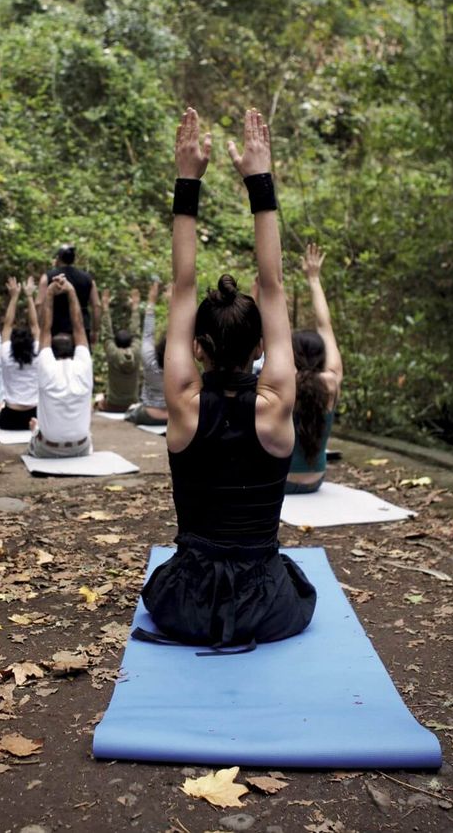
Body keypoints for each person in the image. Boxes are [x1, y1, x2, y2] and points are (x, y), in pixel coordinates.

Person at [137, 107, 316, 651]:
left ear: (196, 349)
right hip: (266, 605)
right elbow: (274, 284)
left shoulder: (184, 403)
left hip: (186, 604)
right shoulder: (277, 403)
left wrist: (187, 179)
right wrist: (258, 180)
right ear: (261, 347)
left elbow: (182, 286)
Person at [286, 243, 344, 493]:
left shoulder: (285, 382)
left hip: (282, 483)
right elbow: (325, 326)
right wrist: (313, 279)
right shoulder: (331, 383)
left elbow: (272, 331)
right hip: (316, 481)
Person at [28, 274, 94, 458]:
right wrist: (71, 291)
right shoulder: (83, 366)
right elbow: (79, 328)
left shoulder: (46, 366)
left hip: (47, 449)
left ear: (51, 352)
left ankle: (37, 430)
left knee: (35, 427)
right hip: (80, 448)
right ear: (74, 349)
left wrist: (49, 294)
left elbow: (45, 330)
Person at [0, 276, 41, 430]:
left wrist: (14, 297)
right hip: (34, 415)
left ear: (12, 342)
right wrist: (29, 296)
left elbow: (7, 325)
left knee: (1, 409)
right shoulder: (38, 353)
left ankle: (2, 410)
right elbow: (35, 326)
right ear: (31, 342)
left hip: (10, 418)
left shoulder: (6, 353)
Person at [125, 279, 168, 425]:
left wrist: (151, 301)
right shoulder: (181, 366)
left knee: (131, 412)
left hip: (150, 414)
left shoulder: (150, 359)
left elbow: (148, 334)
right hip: (172, 416)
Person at [39, 244, 100, 343]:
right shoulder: (87, 278)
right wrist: (95, 330)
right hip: (82, 328)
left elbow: (39, 303)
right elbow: (96, 305)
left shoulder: (48, 277)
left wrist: (40, 328)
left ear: (58, 258)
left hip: (55, 328)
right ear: (74, 259)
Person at [95, 287, 141, 412]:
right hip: (132, 404)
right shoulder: (136, 352)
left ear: (115, 342)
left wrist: (105, 307)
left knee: (98, 398)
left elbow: (108, 334)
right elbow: (136, 333)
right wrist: (135, 307)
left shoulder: (113, 353)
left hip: (112, 404)